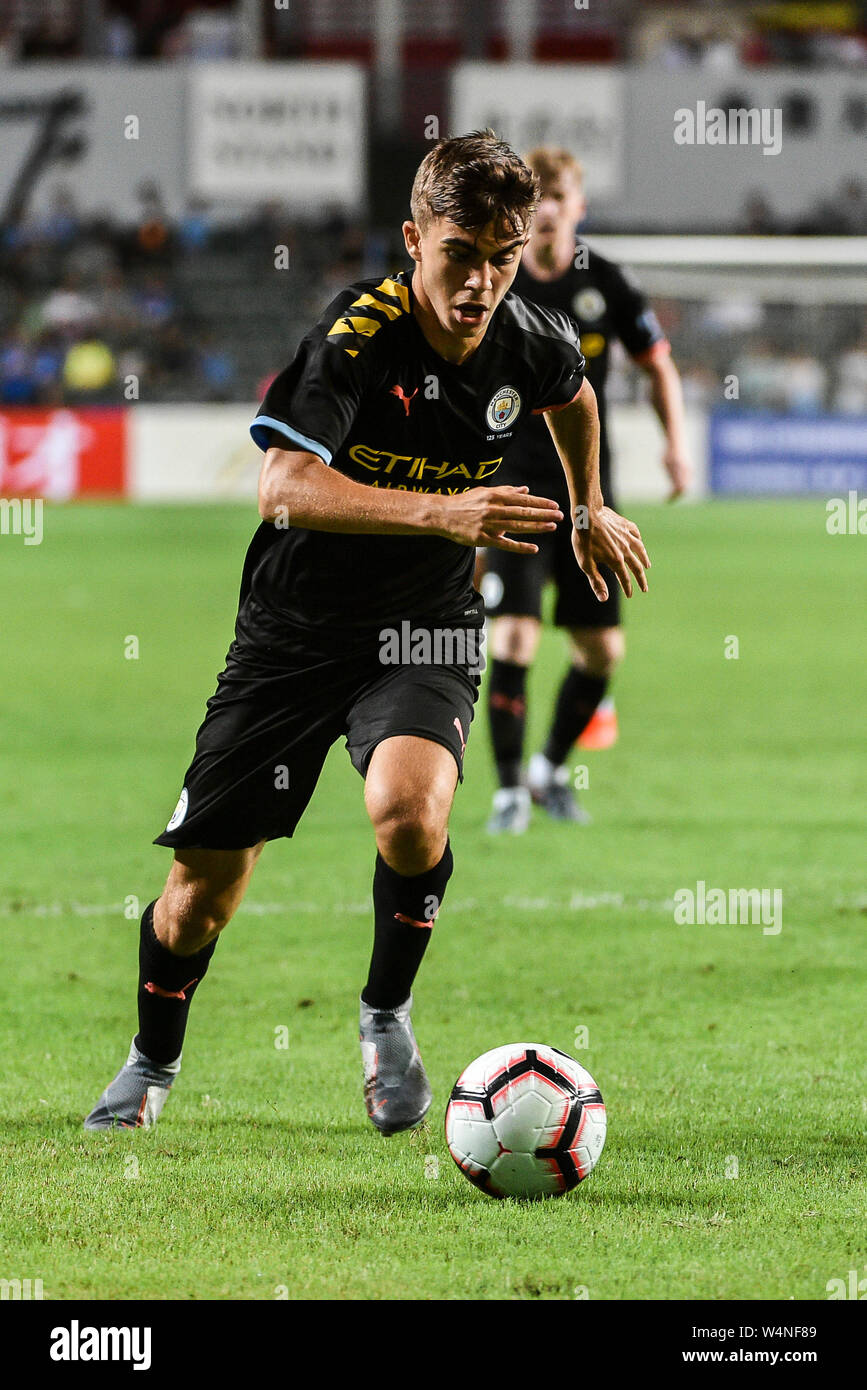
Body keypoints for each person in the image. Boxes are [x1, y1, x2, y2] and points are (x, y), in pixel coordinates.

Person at [84, 132, 649, 1137]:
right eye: (461, 255)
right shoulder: (356, 335)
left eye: (503, 256)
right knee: (200, 891)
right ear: (413, 239)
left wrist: (588, 506)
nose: (481, 281)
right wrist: (448, 513)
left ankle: (385, 1013)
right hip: (292, 633)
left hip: (423, 625)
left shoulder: (529, 336)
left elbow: (575, 396)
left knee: (409, 810)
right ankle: (151, 1059)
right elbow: (281, 490)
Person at [481, 147, 690, 832]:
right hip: (512, 487)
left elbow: (656, 364)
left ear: (576, 207)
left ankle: (547, 768)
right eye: (534, 198)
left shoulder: (605, 282)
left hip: (587, 494)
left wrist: (675, 444)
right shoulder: (495, 278)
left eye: (557, 197)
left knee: (600, 651)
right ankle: (509, 792)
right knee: (511, 638)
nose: (544, 209)